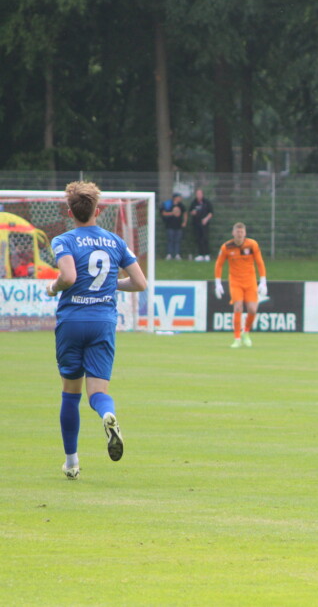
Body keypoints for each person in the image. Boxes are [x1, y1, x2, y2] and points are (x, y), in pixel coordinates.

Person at [45, 181, 148, 479]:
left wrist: (53, 287)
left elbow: (68, 276)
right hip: (103, 321)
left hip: (73, 321)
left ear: (70, 212)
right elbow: (140, 283)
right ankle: (107, 415)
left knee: (70, 394)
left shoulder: (65, 240)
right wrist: (111, 284)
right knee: (98, 392)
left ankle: (72, 462)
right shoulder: (115, 241)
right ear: (97, 211)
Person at [213, 222, 267, 349]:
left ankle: (246, 332)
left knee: (253, 309)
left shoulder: (252, 245)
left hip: (250, 281)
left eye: (241, 232)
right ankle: (237, 338)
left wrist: (263, 281)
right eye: (237, 232)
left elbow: (260, 262)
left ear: (245, 233)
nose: (239, 234)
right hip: (235, 281)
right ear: (233, 233)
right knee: (238, 307)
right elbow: (219, 264)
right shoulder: (226, 247)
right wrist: (218, 283)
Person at [189, 188, 214, 261]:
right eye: (197, 194)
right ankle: (200, 254)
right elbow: (191, 211)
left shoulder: (206, 202)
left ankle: (207, 254)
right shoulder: (194, 202)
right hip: (196, 224)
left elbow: (211, 212)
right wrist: (193, 212)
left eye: (200, 194)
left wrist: (206, 219)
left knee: (205, 238)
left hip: (204, 224)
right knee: (198, 239)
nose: (198, 195)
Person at [161, 193, 187, 260]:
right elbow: (163, 213)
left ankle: (177, 254)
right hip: (170, 226)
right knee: (170, 240)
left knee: (177, 241)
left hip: (178, 226)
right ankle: (169, 254)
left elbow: (185, 213)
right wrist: (172, 213)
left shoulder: (181, 205)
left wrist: (184, 222)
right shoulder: (169, 205)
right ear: (175, 198)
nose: (180, 198)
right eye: (178, 197)